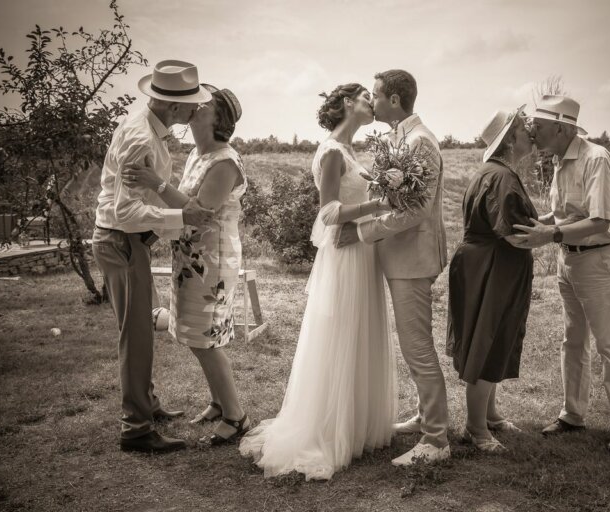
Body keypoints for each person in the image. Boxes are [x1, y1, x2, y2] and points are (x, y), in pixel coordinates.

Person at [238, 83, 397, 480]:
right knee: (341, 334)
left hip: (362, 250)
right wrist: (380, 202)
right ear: (347, 103)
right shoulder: (331, 152)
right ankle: (328, 428)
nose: (371, 102)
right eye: (366, 96)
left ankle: (357, 424)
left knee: (360, 332)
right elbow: (327, 213)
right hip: (344, 256)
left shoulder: (352, 151)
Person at [92, 60, 214, 453]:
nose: (197, 109)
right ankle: (136, 428)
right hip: (121, 241)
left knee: (141, 329)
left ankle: (148, 404)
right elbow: (126, 212)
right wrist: (182, 216)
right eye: (193, 103)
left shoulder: (148, 128)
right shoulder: (142, 139)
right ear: (174, 106)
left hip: (128, 242)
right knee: (138, 336)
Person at [506, 95, 610, 454]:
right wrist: (539, 223)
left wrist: (549, 234)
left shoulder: (597, 159)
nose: (533, 131)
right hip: (569, 259)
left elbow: (600, 221)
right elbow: (565, 212)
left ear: (561, 129)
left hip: (598, 261)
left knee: (609, 343)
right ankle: (572, 415)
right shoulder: (559, 161)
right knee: (573, 340)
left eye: (539, 125)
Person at [123, 84, 251, 446]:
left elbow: (198, 213)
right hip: (189, 259)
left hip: (212, 262)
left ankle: (236, 417)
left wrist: (156, 182)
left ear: (218, 117)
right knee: (197, 336)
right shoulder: (198, 154)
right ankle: (218, 402)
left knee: (205, 340)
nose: (193, 104)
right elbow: (183, 205)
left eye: (203, 103)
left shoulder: (225, 162)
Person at [336, 69, 450, 466]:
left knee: (417, 347)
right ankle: (424, 416)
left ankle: (436, 440)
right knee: (412, 343)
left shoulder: (420, 141)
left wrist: (363, 232)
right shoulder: (397, 139)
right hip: (399, 256)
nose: (372, 100)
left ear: (395, 100)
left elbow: (417, 211)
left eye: (377, 94)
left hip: (413, 259)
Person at [446, 106, 537, 453]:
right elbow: (514, 234)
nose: (530, 133)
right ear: (510, 139)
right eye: (524, 129)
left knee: (496, 334)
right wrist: (553, 233)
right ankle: (475, 427)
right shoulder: (501, 177)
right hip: (493, 266)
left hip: (487, 264)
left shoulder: (495, 172)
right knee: (488, 337)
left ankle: (490, 413)